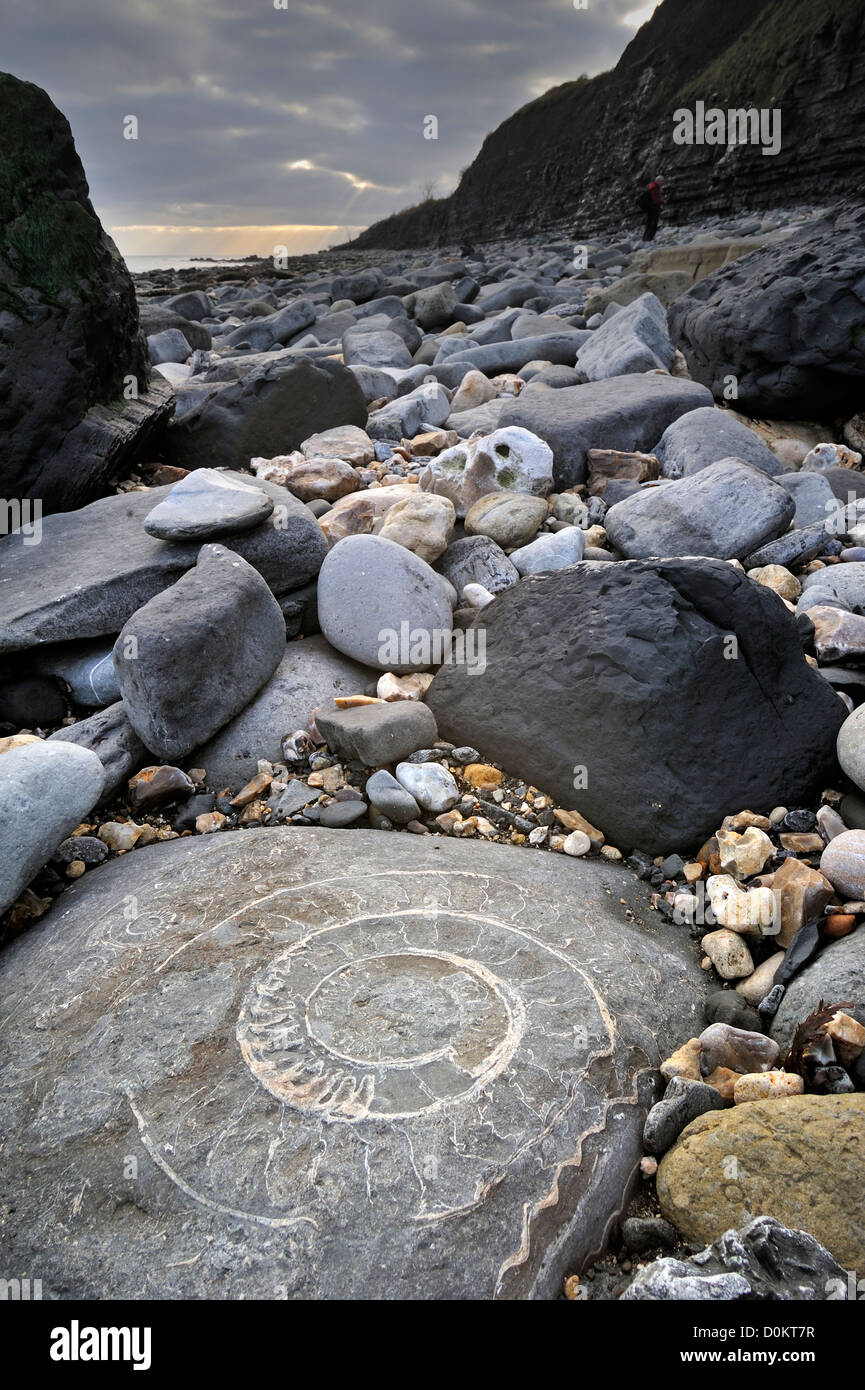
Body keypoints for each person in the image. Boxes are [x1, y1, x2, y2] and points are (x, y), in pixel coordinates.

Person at [641, 175, 665, 241]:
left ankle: (646, 239)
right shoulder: (654, 187)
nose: (662, 183)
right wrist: (663, 202)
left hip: (649, 208)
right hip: (653, 209)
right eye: (662, 182)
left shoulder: (651, 186)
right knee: (652, 224)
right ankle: (648, 239)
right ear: (658, 181)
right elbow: (655, 200)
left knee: (649, 224)